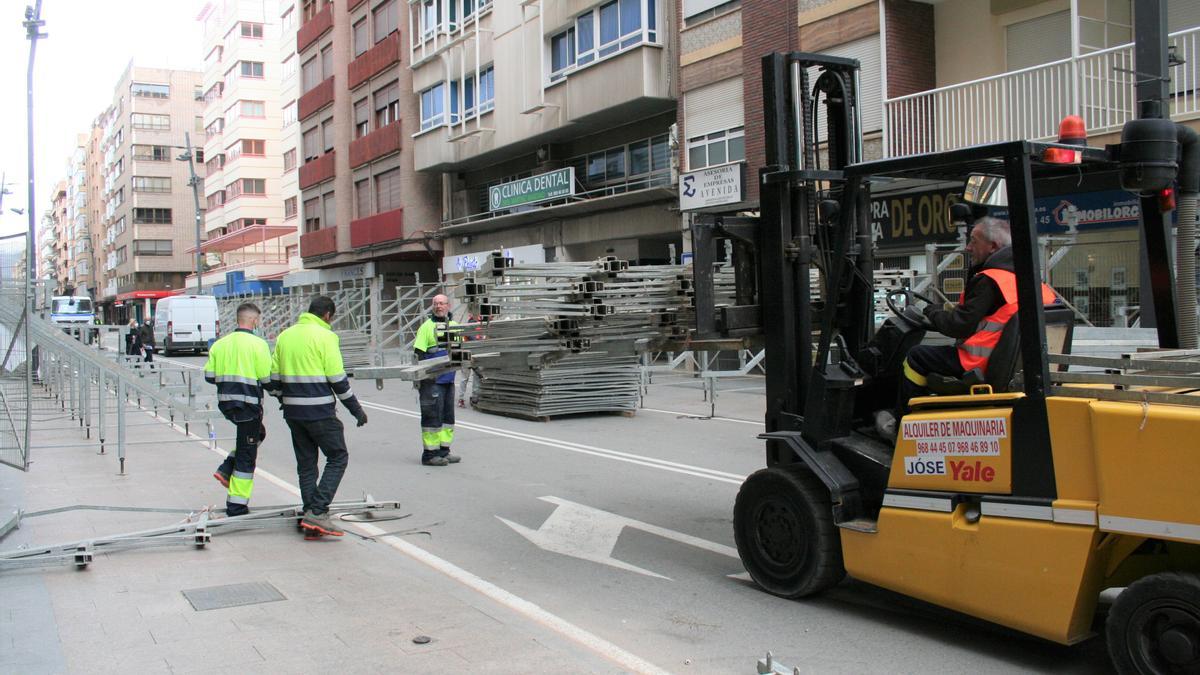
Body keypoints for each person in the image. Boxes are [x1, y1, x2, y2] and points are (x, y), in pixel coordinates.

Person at [895, 217, 1057, 412]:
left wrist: (932, 312)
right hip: (1015, 365)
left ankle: (903, 419)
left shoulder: (990, 280)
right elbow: (980, 317)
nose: (968, 247)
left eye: (974, 241)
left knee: (916, 356)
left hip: (980, 363)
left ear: (993, 246)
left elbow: (959, 325)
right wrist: (945, 312)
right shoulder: (1030, 282)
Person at [266, 296, 368, 538]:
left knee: (306, 464)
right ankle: (318, 511)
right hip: (320, 411)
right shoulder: (326, 337)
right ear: (327, 315)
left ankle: (310, 516)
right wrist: (356, 409)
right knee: (337, 457)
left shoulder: (285, 336)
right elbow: (337, 379)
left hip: (293, 413)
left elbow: (273, 380)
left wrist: (284, 399)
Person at [205, 303, 272, 517]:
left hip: (227, 404)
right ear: (254, 321)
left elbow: (209, 375)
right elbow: (267, 378)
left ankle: (226, 468)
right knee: (247, 454)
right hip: (248, 406)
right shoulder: (258, 344)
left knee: (256, 435)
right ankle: (237, 505)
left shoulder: (219, 344)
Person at [413, 294, 460, 467]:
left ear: (448, 306)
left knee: (448, 418)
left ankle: (444, 451)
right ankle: (429, 454)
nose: (439, 306)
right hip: (432, 380)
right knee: (432, 417)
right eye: (436, 304)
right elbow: (418, 353)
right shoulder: (426, 327)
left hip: (448, 379)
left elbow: (457, 350)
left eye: (442, 303)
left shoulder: (454, 326)